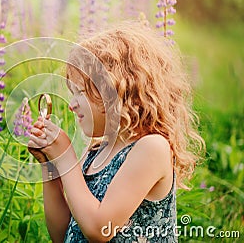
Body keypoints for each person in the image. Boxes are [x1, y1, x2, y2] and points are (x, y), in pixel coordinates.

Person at [28, 21, 205, 242]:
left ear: (119, 92)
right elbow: (63, 234)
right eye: (72, 92)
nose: (72, 104)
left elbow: (99, 229)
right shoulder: (95, 152)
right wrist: (51, 166)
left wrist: (66, 158)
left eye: (81, 91)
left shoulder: (152, 148)